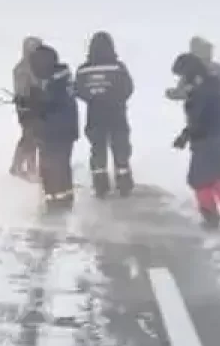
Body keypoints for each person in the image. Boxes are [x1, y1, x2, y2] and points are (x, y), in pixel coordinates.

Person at [170, 52, 220, 230]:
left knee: (206, 176)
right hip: (212, 138)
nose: (182, 80)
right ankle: (214, 213)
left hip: (213, 139)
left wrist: (186, 134)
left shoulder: (205, 87)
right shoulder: (206, 83)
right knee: (204, 176)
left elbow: (202, 116)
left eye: (182, 75)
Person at [19, 43, 80, 211]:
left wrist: (28, 103)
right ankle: (62, 198)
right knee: (61, 166)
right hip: (64, 131)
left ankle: (55, 201)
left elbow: (48, 104)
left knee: (51, 167)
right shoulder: (62, 77)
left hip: (53, 132)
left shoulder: (54, 83)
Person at [74, 31, 135, 198]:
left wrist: (94, 98)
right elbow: (128, 88)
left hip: (95, 115)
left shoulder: (83, 69)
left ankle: (100, 185)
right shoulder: (118, 67)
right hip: (117, 115)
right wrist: (115, 98)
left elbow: (78, 90)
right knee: (121, 148)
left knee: (97, 149)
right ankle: (124, 184)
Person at [166, 35, 220, 157]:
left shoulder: (212, 70)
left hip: (211, 124)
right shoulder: (198, 70)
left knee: (209, 157)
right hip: (207, 123)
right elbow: (186, 90)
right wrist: (175, 93)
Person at [9, 36, 44, 180]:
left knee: (33, 136)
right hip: (27, 109)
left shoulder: (38, 66)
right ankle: (26, 168)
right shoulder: (22, 68)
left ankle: (21, 166)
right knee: (30, 137)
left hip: (37, 107)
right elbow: (23, 91)